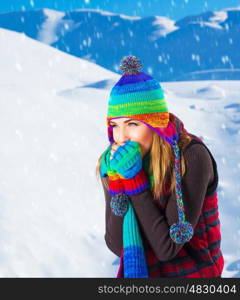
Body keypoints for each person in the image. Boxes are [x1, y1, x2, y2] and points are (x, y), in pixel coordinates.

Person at [96, 55, 224, 278]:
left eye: (133, 124)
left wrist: (135, 183)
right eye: (115, 125)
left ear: (155, 125)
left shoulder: (190, 156)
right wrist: (118, 182)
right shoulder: (114, 163)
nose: (122, 136)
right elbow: (117, 245)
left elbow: (167, 248)